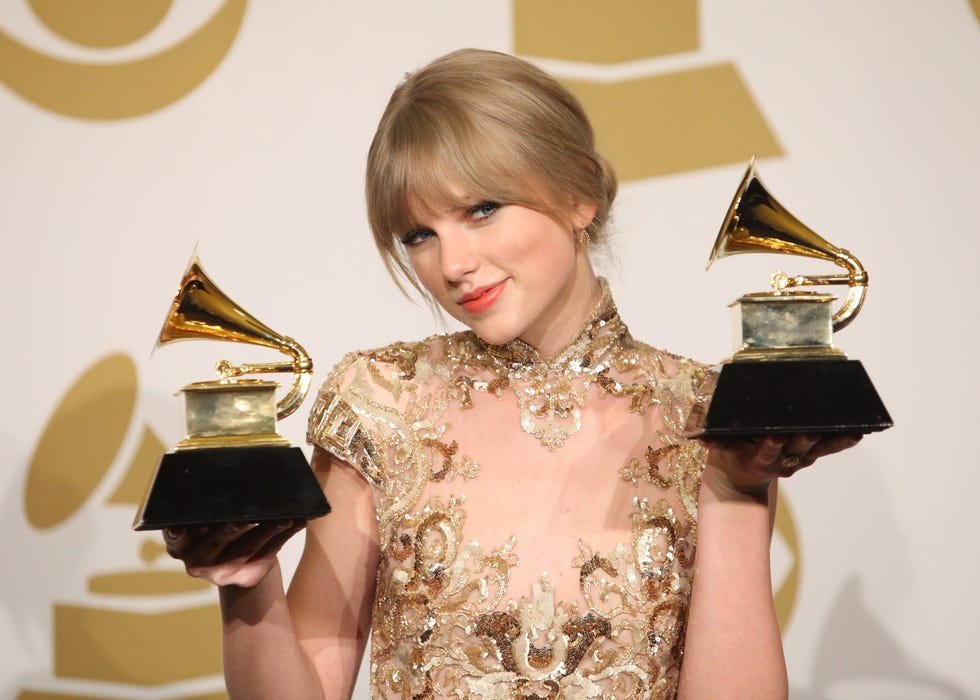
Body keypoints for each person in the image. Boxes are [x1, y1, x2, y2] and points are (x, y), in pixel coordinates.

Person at [164, 48, 860, 699]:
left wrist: (736, 487)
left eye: (482, 209)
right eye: (419, 234)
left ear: (580, 196)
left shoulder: (705, 415)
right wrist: (247, 587)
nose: (452, 263)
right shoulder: (378, 404)